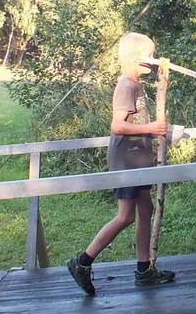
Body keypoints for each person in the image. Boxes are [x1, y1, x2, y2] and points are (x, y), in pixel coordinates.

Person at [66, 32, 175, 296]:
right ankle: (82, 262)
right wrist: (152, 128)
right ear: (134, 58)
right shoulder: (126, 85)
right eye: (149, 55)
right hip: (126, 160)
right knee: (126, 216)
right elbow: (118, 126)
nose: (152, 59)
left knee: (146, 209)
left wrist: (162, 82)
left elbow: (138, 124)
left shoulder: (136, 84)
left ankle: (143, 270)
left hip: (139, 158)